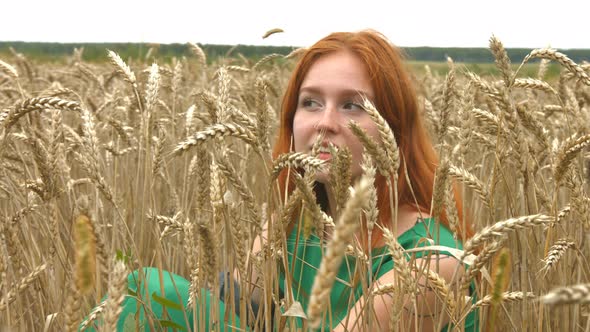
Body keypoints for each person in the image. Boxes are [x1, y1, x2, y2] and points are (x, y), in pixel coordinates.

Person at [82, 30, 478, 331]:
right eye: (311, 102)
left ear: (392, 127)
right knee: (140, 291)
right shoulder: (293, 229)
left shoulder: (432, 263)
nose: (325, 122)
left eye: (352, 105)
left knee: (149, 287)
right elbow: (221, 307)